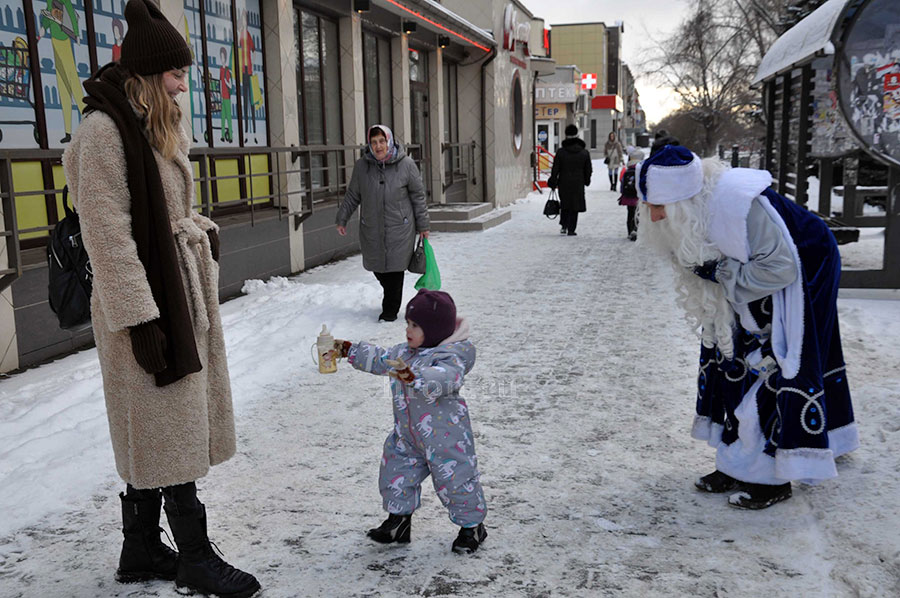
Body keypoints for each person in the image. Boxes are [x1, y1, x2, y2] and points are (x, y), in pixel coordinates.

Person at [61, 1, 260, 596]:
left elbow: (166, 212)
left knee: (156, 425)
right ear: (149, 74)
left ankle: (141, 546)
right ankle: (195, 555)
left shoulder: (153, 125)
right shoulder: (102, 132)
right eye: (176, 73)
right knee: (163, 424)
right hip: (143, 304)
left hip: (175, 288)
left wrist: (198, 227)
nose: (183, 82)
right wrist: (140, 318)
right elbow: (106, 234)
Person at [637, 144, 859, 509]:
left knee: (777, 364)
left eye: (659, 207)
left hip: (808, 267)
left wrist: (722, 274)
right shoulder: (691, 210)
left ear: (682, 201)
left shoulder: (738, 206)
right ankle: (737, 462)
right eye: (649, 206)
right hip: (746, 283)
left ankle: (772, 476)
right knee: (732, 362)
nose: (654, 216)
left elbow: (781, 268)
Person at [331, 289, 488, 553]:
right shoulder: (405, 352)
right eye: (408, 323)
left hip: (446, 439)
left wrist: (415, 376)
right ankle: (398, 523)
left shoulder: (451, 356)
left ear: (435, 329)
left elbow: (446, 377)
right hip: (407, 435)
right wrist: (349, 350)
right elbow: (382, 359)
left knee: (457, 482)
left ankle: (472, 527)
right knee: (395, 475)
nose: (408, 330)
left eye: (416, 325)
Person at [336, 125, 430, 321]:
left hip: (400, 227)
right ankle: (391, 299)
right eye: (374, 142)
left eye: (381, 141)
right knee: (378, 267)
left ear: (389, 141)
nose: (378, 146)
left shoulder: (406, 165)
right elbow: (353, 194)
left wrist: (423, 226)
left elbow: (418, 196)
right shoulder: (362, 166)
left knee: (395, 269)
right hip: (372, 227)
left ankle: (389, 312)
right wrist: (342, 218)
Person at [548, 123, 592, 236]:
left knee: (565, 203)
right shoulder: (584, 152)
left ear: (566, 135)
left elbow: (555, 168)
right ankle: (572, 229)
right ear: (577, 135)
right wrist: (587, 180)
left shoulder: (561, 152)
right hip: (578, 182)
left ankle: (564, 225)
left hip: (564, 182)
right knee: (575, 205)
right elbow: (588, 169)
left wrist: (553, 181)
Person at [617, 148, 643, 241]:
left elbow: (622, 183)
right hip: (638, 197)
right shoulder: (642, 170)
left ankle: (629, 231)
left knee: (630, 213)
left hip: (628, 197)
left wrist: (623, 194)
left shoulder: (627, 171)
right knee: (638, 214)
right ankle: (637, 230)